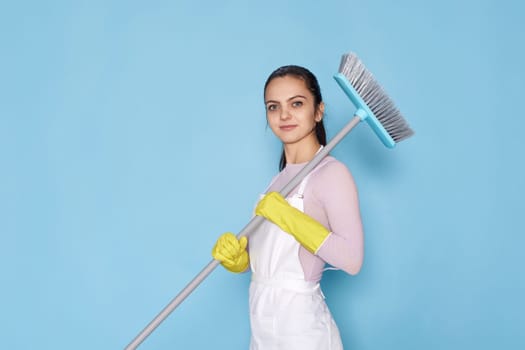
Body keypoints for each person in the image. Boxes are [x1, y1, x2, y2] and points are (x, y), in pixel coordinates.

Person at [212, 65, 364, 350]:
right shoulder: (277, 181)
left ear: (318, 111)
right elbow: (269, 266)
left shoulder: (331, 174)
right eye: (273, 106)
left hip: (303, 334)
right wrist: (240, 260)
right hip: (264, 331)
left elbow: (352, 260)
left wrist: (288, 216)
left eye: (296, 103)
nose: (284, 115)